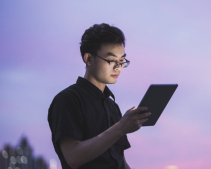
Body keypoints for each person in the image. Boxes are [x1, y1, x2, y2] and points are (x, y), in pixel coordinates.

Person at [48, 23, 151, 169]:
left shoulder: (112, 106)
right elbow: (73, 157)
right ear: (88, 59)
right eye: (111, 60)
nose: (118, 67)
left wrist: (120, 128)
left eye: (122, 61)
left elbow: (120, 161)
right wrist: (120, 128)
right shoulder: (67, 100)